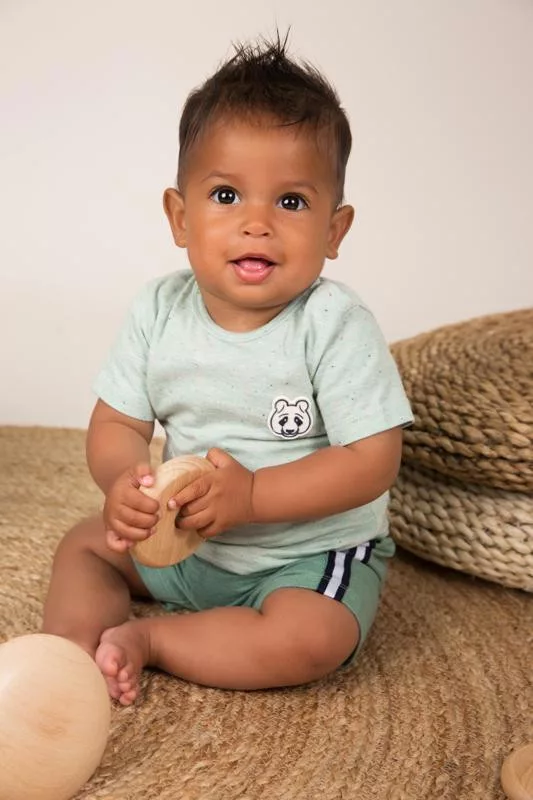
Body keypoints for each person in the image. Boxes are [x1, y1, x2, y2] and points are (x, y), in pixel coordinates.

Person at [42, 35, 413, 705]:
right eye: (225, 195)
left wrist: (253, 498)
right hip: (181, 542)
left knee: (313, 638)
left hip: (297, 561)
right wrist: (124, 480)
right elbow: (118, 423)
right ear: (180, 217)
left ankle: (153, 641)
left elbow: (372, 460)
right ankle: (67, 657)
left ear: (334, 231)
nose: (256, 223)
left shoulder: (334, 324)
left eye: (291, 202)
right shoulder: (159, 309)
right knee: (83, 546)